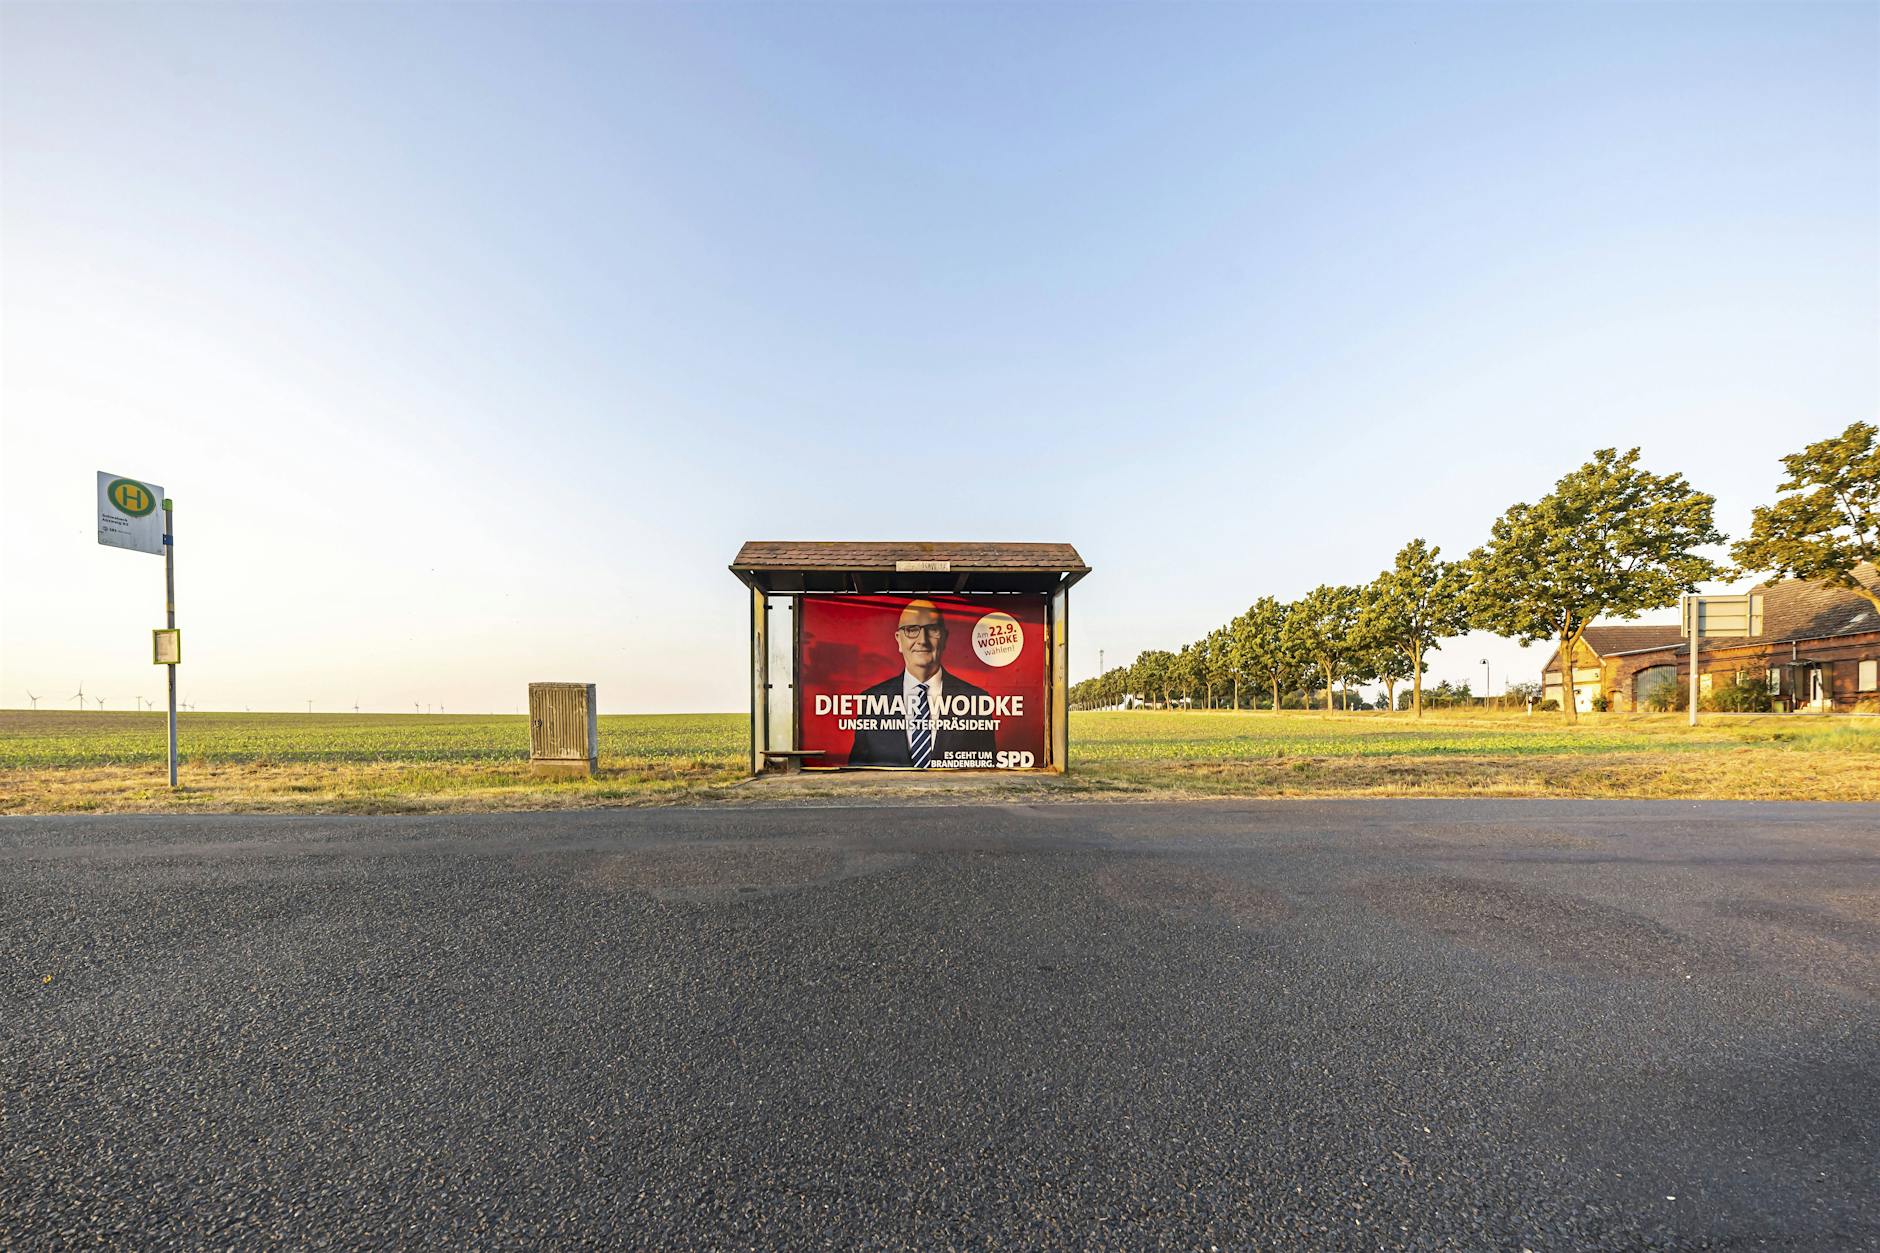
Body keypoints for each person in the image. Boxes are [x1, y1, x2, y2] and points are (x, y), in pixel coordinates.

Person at [847, 599, 997, 768]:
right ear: (899, 640)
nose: (922, 640)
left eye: (932, 629)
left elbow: (987, 771)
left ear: (944, 638)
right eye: (912, 630)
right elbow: (857, 769)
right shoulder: (871, 701)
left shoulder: (976, 700)